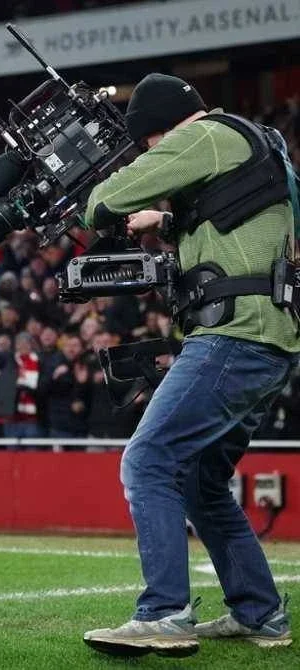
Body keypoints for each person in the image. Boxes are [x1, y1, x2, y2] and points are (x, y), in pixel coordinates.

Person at [81, 74, 298, 657]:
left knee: (149, 458)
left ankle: (164, 613)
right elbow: (244, 226)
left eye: (150, 146)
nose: (156, 158)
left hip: (233, 337)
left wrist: (128, 197)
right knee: (204, 484)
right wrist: (170, 221)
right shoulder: (249, 143)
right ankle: (261, 613)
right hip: (265, 340)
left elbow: (105, 199)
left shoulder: (203, 134)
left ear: (161, 128)